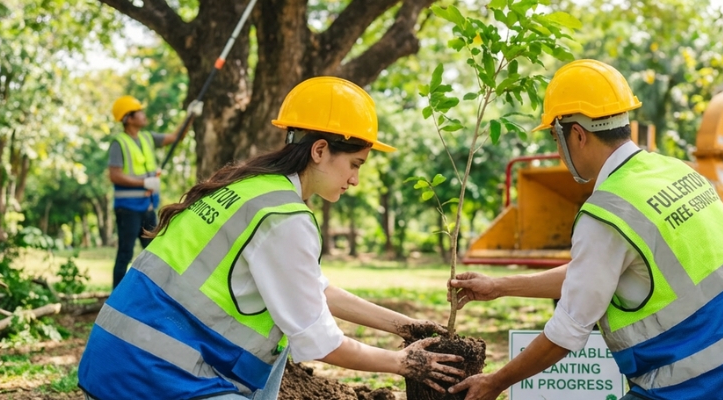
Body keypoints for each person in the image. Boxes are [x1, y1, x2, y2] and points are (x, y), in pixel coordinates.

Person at [79, 77, 463, 399]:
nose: (355, 180)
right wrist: (405, 362)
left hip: (117, 356)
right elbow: (320, 341)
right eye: (354, 164)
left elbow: (312, 289)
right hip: (153, 373)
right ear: (320, 150)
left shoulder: (255, 187)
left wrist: (406, 326)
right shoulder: (285, 217)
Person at [447, 60, 723, 400]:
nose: (557, 150)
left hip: (717, 378)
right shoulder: (674, 170)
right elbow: (593, 276)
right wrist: (499, 287)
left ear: (577, 134)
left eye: (555, 139)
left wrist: (494, 384)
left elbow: (567, 331)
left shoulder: (606, 212)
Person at [108, 95, 203, 289]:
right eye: (139, 112)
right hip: (128, 209)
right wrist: (144, 182)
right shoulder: (119, 143)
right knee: (125, 253)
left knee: (154, 251)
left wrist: (190, 116)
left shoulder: (147, 137)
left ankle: (154, 293)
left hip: (148, 206)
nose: (144, 114)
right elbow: (115, 175)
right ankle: (115, 296)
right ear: (128, 118)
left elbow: (176, 137)